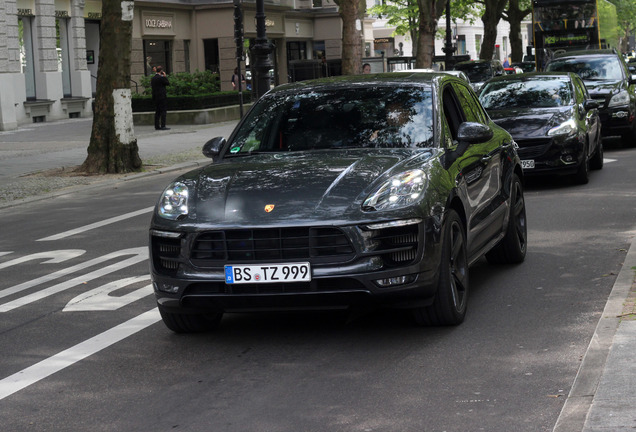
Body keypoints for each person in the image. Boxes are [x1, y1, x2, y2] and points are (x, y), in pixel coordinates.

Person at [151, 65, 170, 130]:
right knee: (163, 111)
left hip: (156, 97)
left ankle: (157, 126)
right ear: (161, 71)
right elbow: (167, 83)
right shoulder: (161, 78)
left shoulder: (153, 78)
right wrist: (165, 76)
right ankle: (163, 125)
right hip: (162, 97)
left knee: (157, 112)